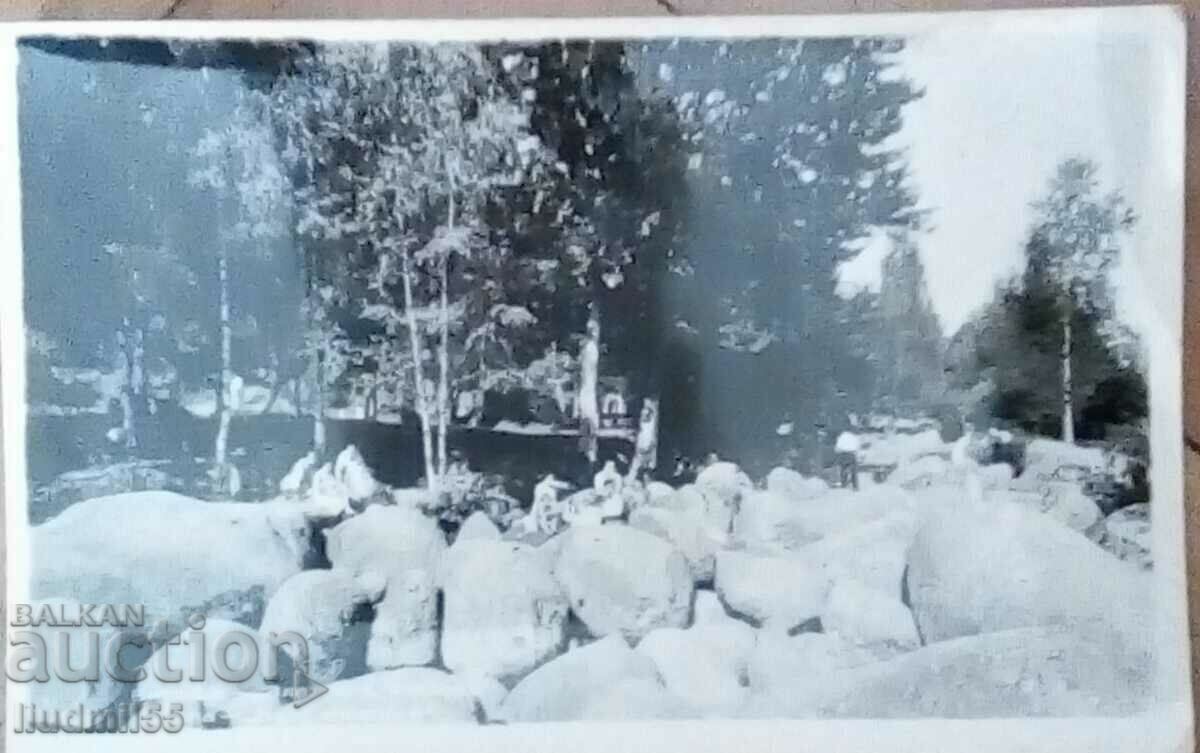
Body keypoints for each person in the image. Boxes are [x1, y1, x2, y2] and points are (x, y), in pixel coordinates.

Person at [834, 427, 861, 491]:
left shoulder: (840, 437)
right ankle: (855, 486)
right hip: (851, 455)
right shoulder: (853, 437)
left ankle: (843, 483)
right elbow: (857, 447)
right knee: (854, 471)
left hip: (842, 455)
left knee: (842, 469)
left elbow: (837, 449)